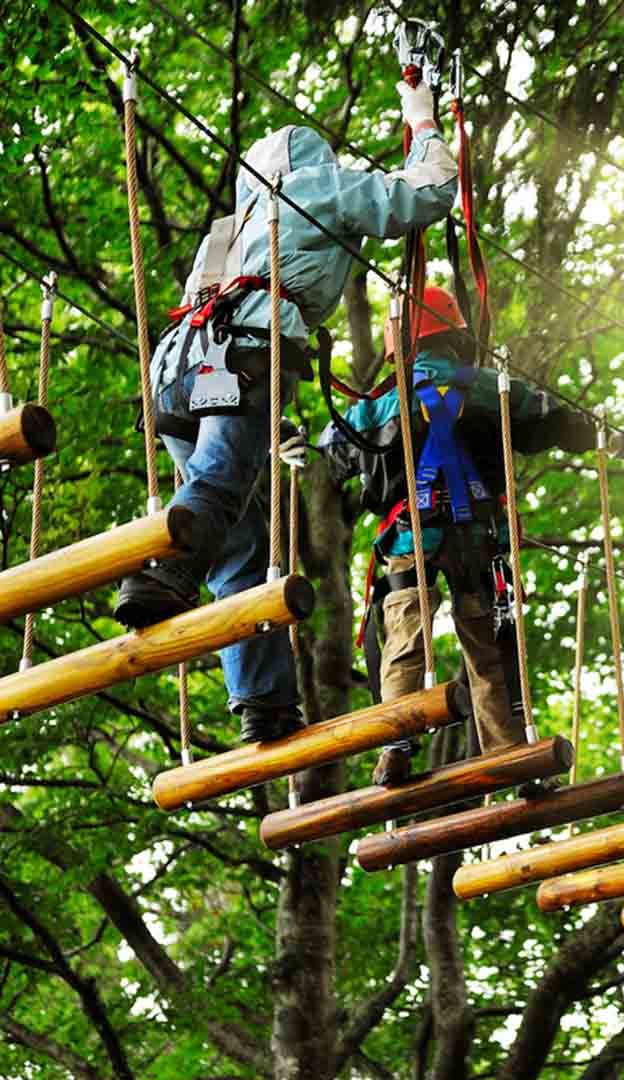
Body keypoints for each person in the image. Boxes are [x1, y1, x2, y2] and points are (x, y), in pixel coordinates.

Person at [113, 81, 459, 745]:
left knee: (239, 543)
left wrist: (269, 425)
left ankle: (262, 704)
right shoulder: (315, 187)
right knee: (220, 483)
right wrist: (421, 118)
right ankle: (165, 570)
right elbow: (427, 192)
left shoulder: (228, 228)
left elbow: (214, 315)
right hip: (243, 352)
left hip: (175, 374)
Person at [319, 285, 624, 785]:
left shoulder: (377, 408)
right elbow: (555, 421)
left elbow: (333, 450)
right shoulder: (493, 388)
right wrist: (609, 435)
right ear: (458, 338)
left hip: (410, 540)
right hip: (479, 540)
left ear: (400, 347)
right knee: (489, 652)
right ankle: (510, 754)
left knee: (404, 638)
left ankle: (396, 740)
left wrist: (290, 443)